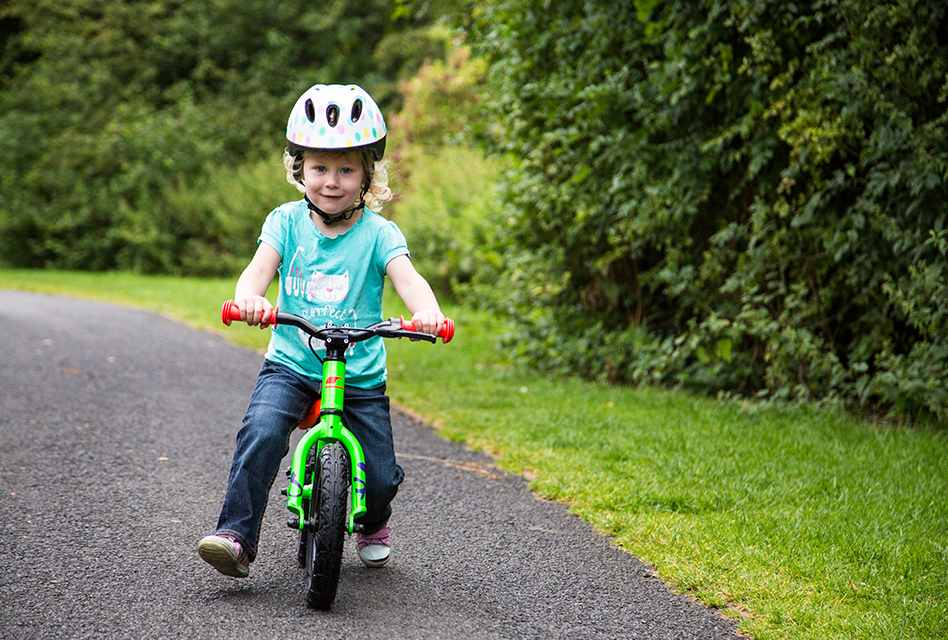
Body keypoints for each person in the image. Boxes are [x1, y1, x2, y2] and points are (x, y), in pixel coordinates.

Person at [198, 84, 444, 578]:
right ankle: (237, 536)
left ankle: (375, 521)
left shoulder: (379, 233)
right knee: (261, 433)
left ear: (367, 174)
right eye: (320, 168)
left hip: (360, 371)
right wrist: (252, 298)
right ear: (299, 170)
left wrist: (428, 313)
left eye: (346, 169)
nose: (332, 181)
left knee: (377, 477)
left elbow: (407, 278)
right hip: (291, 363)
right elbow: (258, 269)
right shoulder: (286, 222)